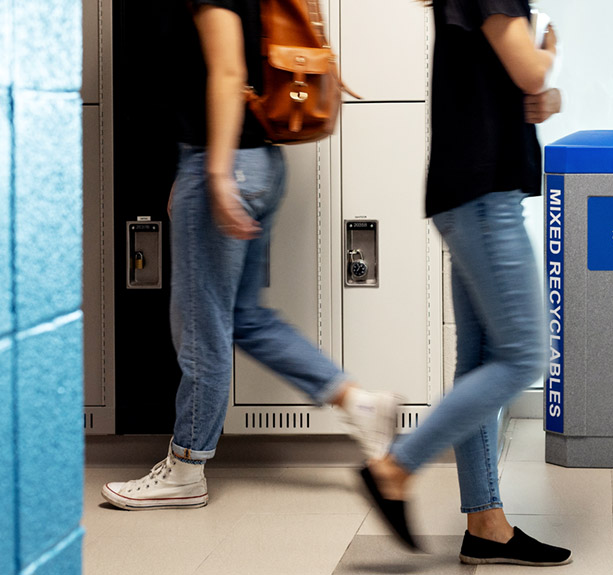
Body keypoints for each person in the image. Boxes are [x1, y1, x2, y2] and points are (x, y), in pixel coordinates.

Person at [101, 0, 399, 511]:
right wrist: (196, 171)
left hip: (229, 163)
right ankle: (358, 403)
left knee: (201, 325)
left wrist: (213, 173)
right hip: (257, 160)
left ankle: (187, 467)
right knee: (245, 318)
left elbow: (229, 68)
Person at [360, 0, 570, 566]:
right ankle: (395, 467)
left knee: (480, 363)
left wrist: (541, 95)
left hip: (473, 193)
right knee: (525, 356)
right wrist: (548, 51)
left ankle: (486, 523)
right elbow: (527, 71)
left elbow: (520, 91)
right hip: (483, 198)